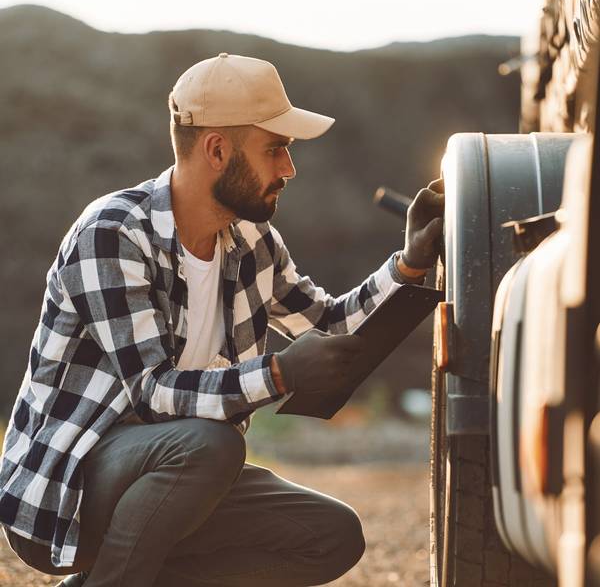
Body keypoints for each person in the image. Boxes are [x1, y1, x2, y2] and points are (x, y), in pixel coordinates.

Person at [0, 53, 444, 587]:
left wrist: (408, 264)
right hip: (68, 492)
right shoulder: (113, 233)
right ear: (216, 149)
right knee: (211, 444)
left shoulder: (253, 241)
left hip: (180, 477)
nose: (288, 169)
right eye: (275, 149)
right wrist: (279, 376)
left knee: (330, 535)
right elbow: (152, 391)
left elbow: (327, 325)